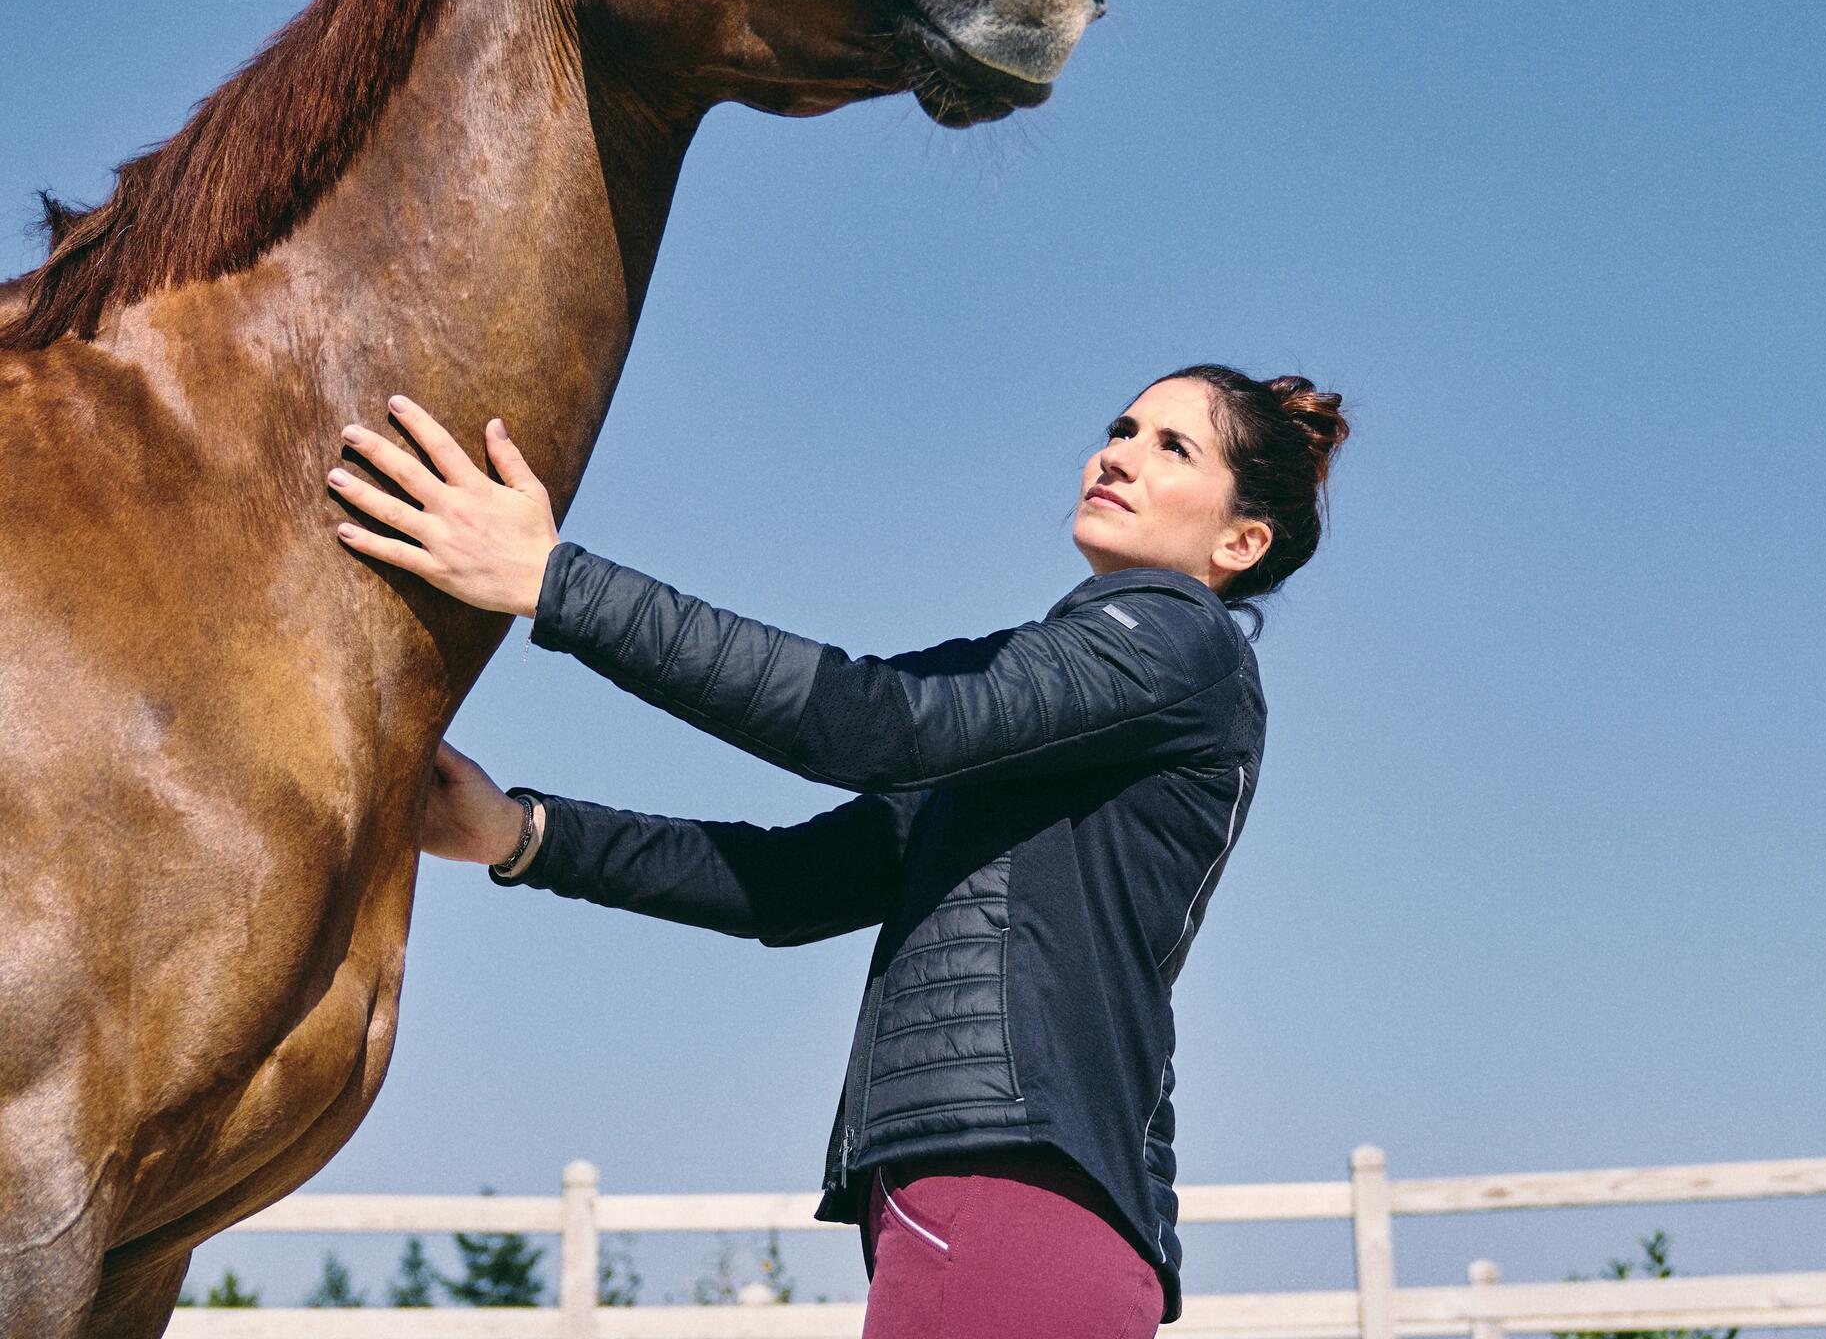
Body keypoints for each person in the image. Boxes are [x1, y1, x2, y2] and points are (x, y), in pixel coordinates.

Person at [326, 364, 1347, 1336]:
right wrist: (522, 834)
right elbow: (797, 882)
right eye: (1122, 429)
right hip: (995, 1195)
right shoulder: (1070, 702)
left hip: (1014, 1187)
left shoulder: (1177, 644)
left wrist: (554, 582)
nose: (1119, 455)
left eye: (1174, 447)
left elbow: (873, 725)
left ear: (1241, 544)